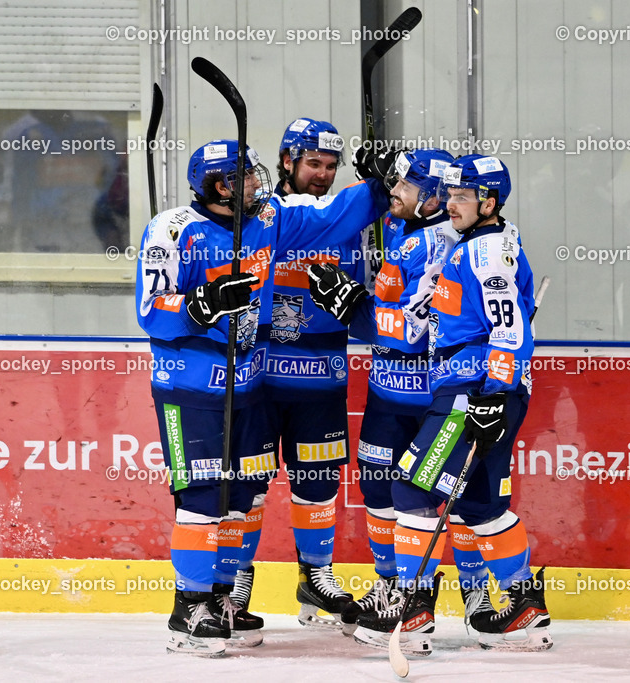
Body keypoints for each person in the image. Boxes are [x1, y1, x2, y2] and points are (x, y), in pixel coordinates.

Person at [136, 139, 388, 656]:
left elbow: (330, 215)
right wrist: (200, 305)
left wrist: (381, 189)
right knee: (204, 497)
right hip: (189, 388)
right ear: (220, 186)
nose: (258, 182)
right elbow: (150, 308)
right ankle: (189, 608)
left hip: (247, 388)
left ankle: (224, 599)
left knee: (242, 495)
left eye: (255, 173)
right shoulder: (172, 229)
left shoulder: (269, 218)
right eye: (246, 176)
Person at [332, 154, 552, 655]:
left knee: (412, 489)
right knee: (480, 504)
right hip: (484, 388)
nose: (451, 204)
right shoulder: (484, 243)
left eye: (463, 197)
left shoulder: (486, 253)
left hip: (471, 389)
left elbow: (510, 327)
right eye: (449, 194)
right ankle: (522, 610)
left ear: (489, 202)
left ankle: (410, 611)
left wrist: (492, 393)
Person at [307, 147, 497, 636]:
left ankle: (466, 591)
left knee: (448, 497)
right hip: (385, 392)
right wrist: (379, 183)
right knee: (378, 492)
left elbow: (407, 331)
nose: (397, 191)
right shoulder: (401, 226)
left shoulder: (443, 245)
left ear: (433, 198)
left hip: (433, 396)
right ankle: (393, 583)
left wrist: (353, 308)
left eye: (407, 186)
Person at [230, 119, 362, 629]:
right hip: (259, 379)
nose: (322, 175)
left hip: (321, 378)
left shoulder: (347, 220)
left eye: (331, 167)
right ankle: (236, 583)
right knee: (249, 484)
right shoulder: (262, 213)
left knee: (318, 481)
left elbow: (372, 299)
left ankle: (316, 578)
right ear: (287, 161)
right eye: (313, 164)